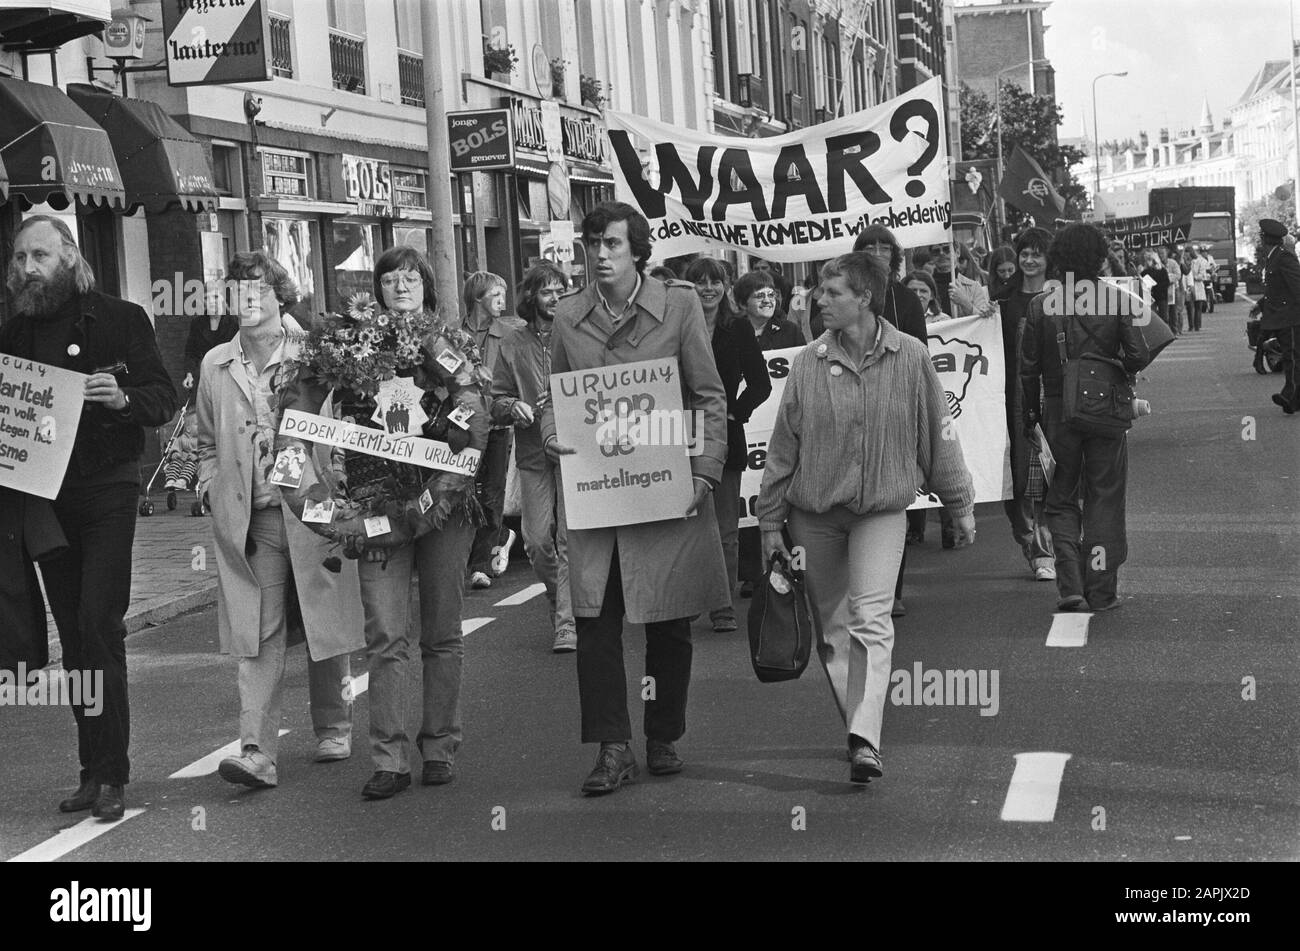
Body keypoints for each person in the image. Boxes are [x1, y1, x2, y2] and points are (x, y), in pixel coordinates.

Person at [756, 251, 975, 784]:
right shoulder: (808, 362)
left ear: (865, 299)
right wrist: (768, 522)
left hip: (881, 509)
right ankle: (859, 724)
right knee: (833, 632)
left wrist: (959, 504)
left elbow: (938, 433)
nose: (819, 300)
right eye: (820, 292)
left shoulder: (911, 356)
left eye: (833, 293)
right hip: (814, 516)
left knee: (871, 619)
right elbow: (784, 446)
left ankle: (863, 738)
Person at [540, 201, 729, 795]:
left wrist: (703, 472)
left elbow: (706, 396)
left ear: (638, 251)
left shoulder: (679, 305)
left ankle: (662, 733)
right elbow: (554, 397)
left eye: (613, 244)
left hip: (664, 486)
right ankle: (612, 747)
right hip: (598, 495)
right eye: (593, 243)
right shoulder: (568, 317)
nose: (600, 254)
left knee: (669, 620)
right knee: (595, 622)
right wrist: (551, 432)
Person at [0, 215, 178, 821]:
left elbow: (163, 398)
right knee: (74, 638)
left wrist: (124, 400)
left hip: (107, 490)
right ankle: (90, 768)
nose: (27, 269)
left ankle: (114, 776)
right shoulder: (11, 336)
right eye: (20, 257)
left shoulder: (121, 319)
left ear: (71, 258)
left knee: (100, 624)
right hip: (44, 502)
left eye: (40, 256)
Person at [196, 252, 362, 790]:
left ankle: (334, 725)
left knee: (322, 616)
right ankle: (256, 752)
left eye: (258, 288)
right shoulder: (215, 364)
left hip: (312, 508)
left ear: (279, 295)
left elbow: (340, 425)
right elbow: (201, 442)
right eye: (237, 289)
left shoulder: (314, 354)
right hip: (253, 518)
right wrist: (208, 487)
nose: (247, 298)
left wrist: (338, 483)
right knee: (258, 631)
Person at [355, 247, 492, 799]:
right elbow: (325, 410)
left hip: (445, 504)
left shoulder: (454, 346)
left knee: (441, 630)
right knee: (385, 633)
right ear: (379, 290)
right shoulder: (355, 346)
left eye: (410, 278)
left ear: (428, 287)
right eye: (389, 280)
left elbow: (480, 409)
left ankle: (438, 745)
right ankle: (389, 757)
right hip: (377, 502)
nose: (400, 287)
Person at [1021, 223, 1150, 612]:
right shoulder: (1117, 300)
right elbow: (1139, 356)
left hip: (1058, 412)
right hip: (1106, 412)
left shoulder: (1041, 304)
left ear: (1057, 258)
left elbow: (1028, 370)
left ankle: (1071, 585)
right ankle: (1102, 591)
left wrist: (1032, 417)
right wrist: (1114, 367)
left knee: (1060, 499)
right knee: (1104, 498)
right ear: (1099, 258)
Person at [492, 262, 578, 653]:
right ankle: (559, 599)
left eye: (561, 289)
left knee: (567, 539)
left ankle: (567, 622)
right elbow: (494, 399)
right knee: (536, 540)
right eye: (547, 291)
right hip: (531, 451)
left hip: (574, 448)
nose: (556, 297)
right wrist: (512, 406)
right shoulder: (512, 343)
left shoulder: (578, 336)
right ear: (532, 298)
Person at [686, 257, 773, 634]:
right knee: (683, 526)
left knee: (725, 528)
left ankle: (722, 606)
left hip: (724, 435)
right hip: (676, 432)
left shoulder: (737, 328)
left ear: (725, 286)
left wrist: (735, 413)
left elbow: (761, 383)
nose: (708, 288)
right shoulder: (674, 326)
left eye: (715, 282)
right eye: (700, 282)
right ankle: (687, 600)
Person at [849, 225, 929, 616]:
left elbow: (921, 358)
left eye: (885, 247)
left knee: (891, 504)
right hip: (847, 415)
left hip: (894, 415)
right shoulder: (842, 296)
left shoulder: (906, 301)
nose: (879, 252)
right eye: (870, 246)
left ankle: (889, 589)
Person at [993, 228, 1056, 582]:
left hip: (1056, 396)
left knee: (1051, 475)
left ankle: (1050, 544)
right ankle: (1032, 545)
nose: (1029, 260)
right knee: (1016, 478)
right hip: (1013, 399)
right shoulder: (1002, 300)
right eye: (1024, 254)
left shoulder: (1067, 295)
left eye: (1037, 254)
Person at [462, 271, 523, 589]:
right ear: (477, 298)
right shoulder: (455, 334)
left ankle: (480, 563)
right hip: (464, 427)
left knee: (493, 493)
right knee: (464, 491)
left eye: (504, 294)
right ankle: (478, 549)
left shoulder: (511, 333)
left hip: (497, 425)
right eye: (495, 295)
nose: (503, 301)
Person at [1257, 218, 1300, 414]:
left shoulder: (1284, 257)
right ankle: (1293, 399)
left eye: (1261, 236)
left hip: (1291, 315)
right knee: (1291, 357)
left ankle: (1289, 395)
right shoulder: (1273, 256)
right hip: (1280, 315)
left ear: (1266, 238)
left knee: (1293, 357)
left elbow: (1297, 285)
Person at [734, 269, 805, 350]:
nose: (767, 301)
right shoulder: (732, 333)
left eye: (771, 295)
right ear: (742, 304)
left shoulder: (791, 331)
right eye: (760, 296)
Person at [1165, 246, 1185, 336]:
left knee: (1174, 310)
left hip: (1172, 289)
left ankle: (1175, 330)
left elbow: (1178, 275)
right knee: (1165, 311)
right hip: (1161, 289)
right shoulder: (1156, 263)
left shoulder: (1172, 263)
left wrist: (1168, 279)